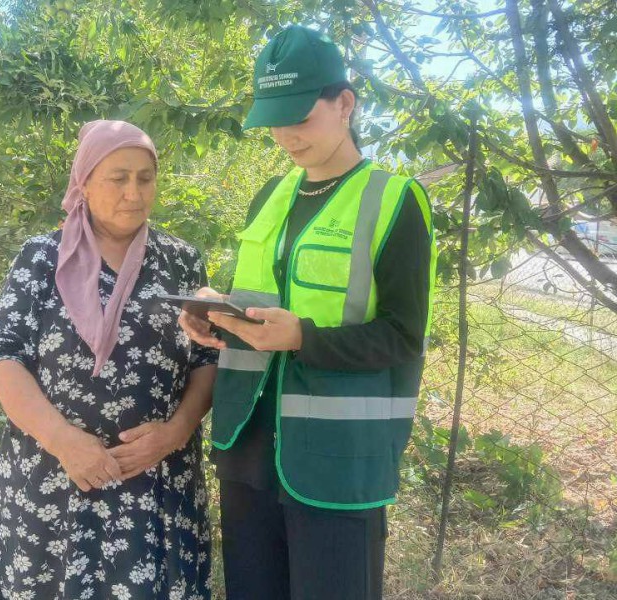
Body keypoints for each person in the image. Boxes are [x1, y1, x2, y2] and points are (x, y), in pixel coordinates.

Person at [179, 26, 437, 600]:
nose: (286, 135)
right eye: (274, 119)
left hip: (338, 461)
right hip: (248, 449)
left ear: (344, 103)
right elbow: (261, 305)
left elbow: (402, 337)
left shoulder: (394, 200)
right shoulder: (270, 195)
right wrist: (216, 315)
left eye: (300, 116)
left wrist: (303, 338)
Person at [0, 120, 217, 600]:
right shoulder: (42, 257)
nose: (134, 191)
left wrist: (175, 433)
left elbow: (206, 361)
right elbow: (1, 357)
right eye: (118, 177)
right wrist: (64, 440)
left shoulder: (180, 261)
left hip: (155, 486)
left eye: (145, 177)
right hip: (52, 482)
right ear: (84, 182)